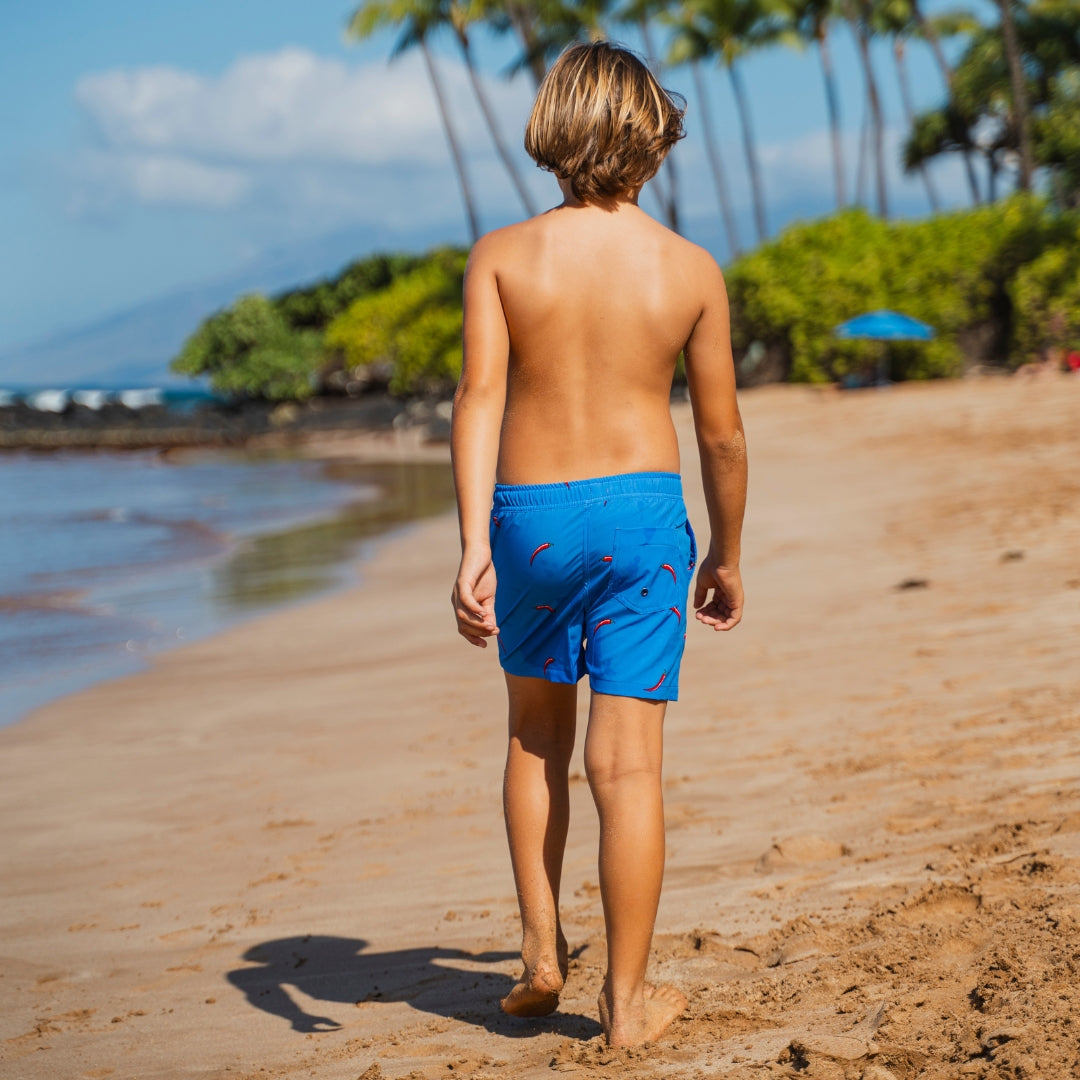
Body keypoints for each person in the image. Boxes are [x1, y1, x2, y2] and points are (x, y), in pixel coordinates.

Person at [450, 41, 747, 1048]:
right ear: (653, 139)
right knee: (628, 769)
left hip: (529, 516)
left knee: (536, 733)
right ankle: (624, 1004)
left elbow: (479, 398)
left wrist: (469, 545)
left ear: (551, 130)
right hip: (643, 523)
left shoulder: (500, 257)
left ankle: (540, 951)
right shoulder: (689, 269)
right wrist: (727, 551)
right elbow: (720, 434)